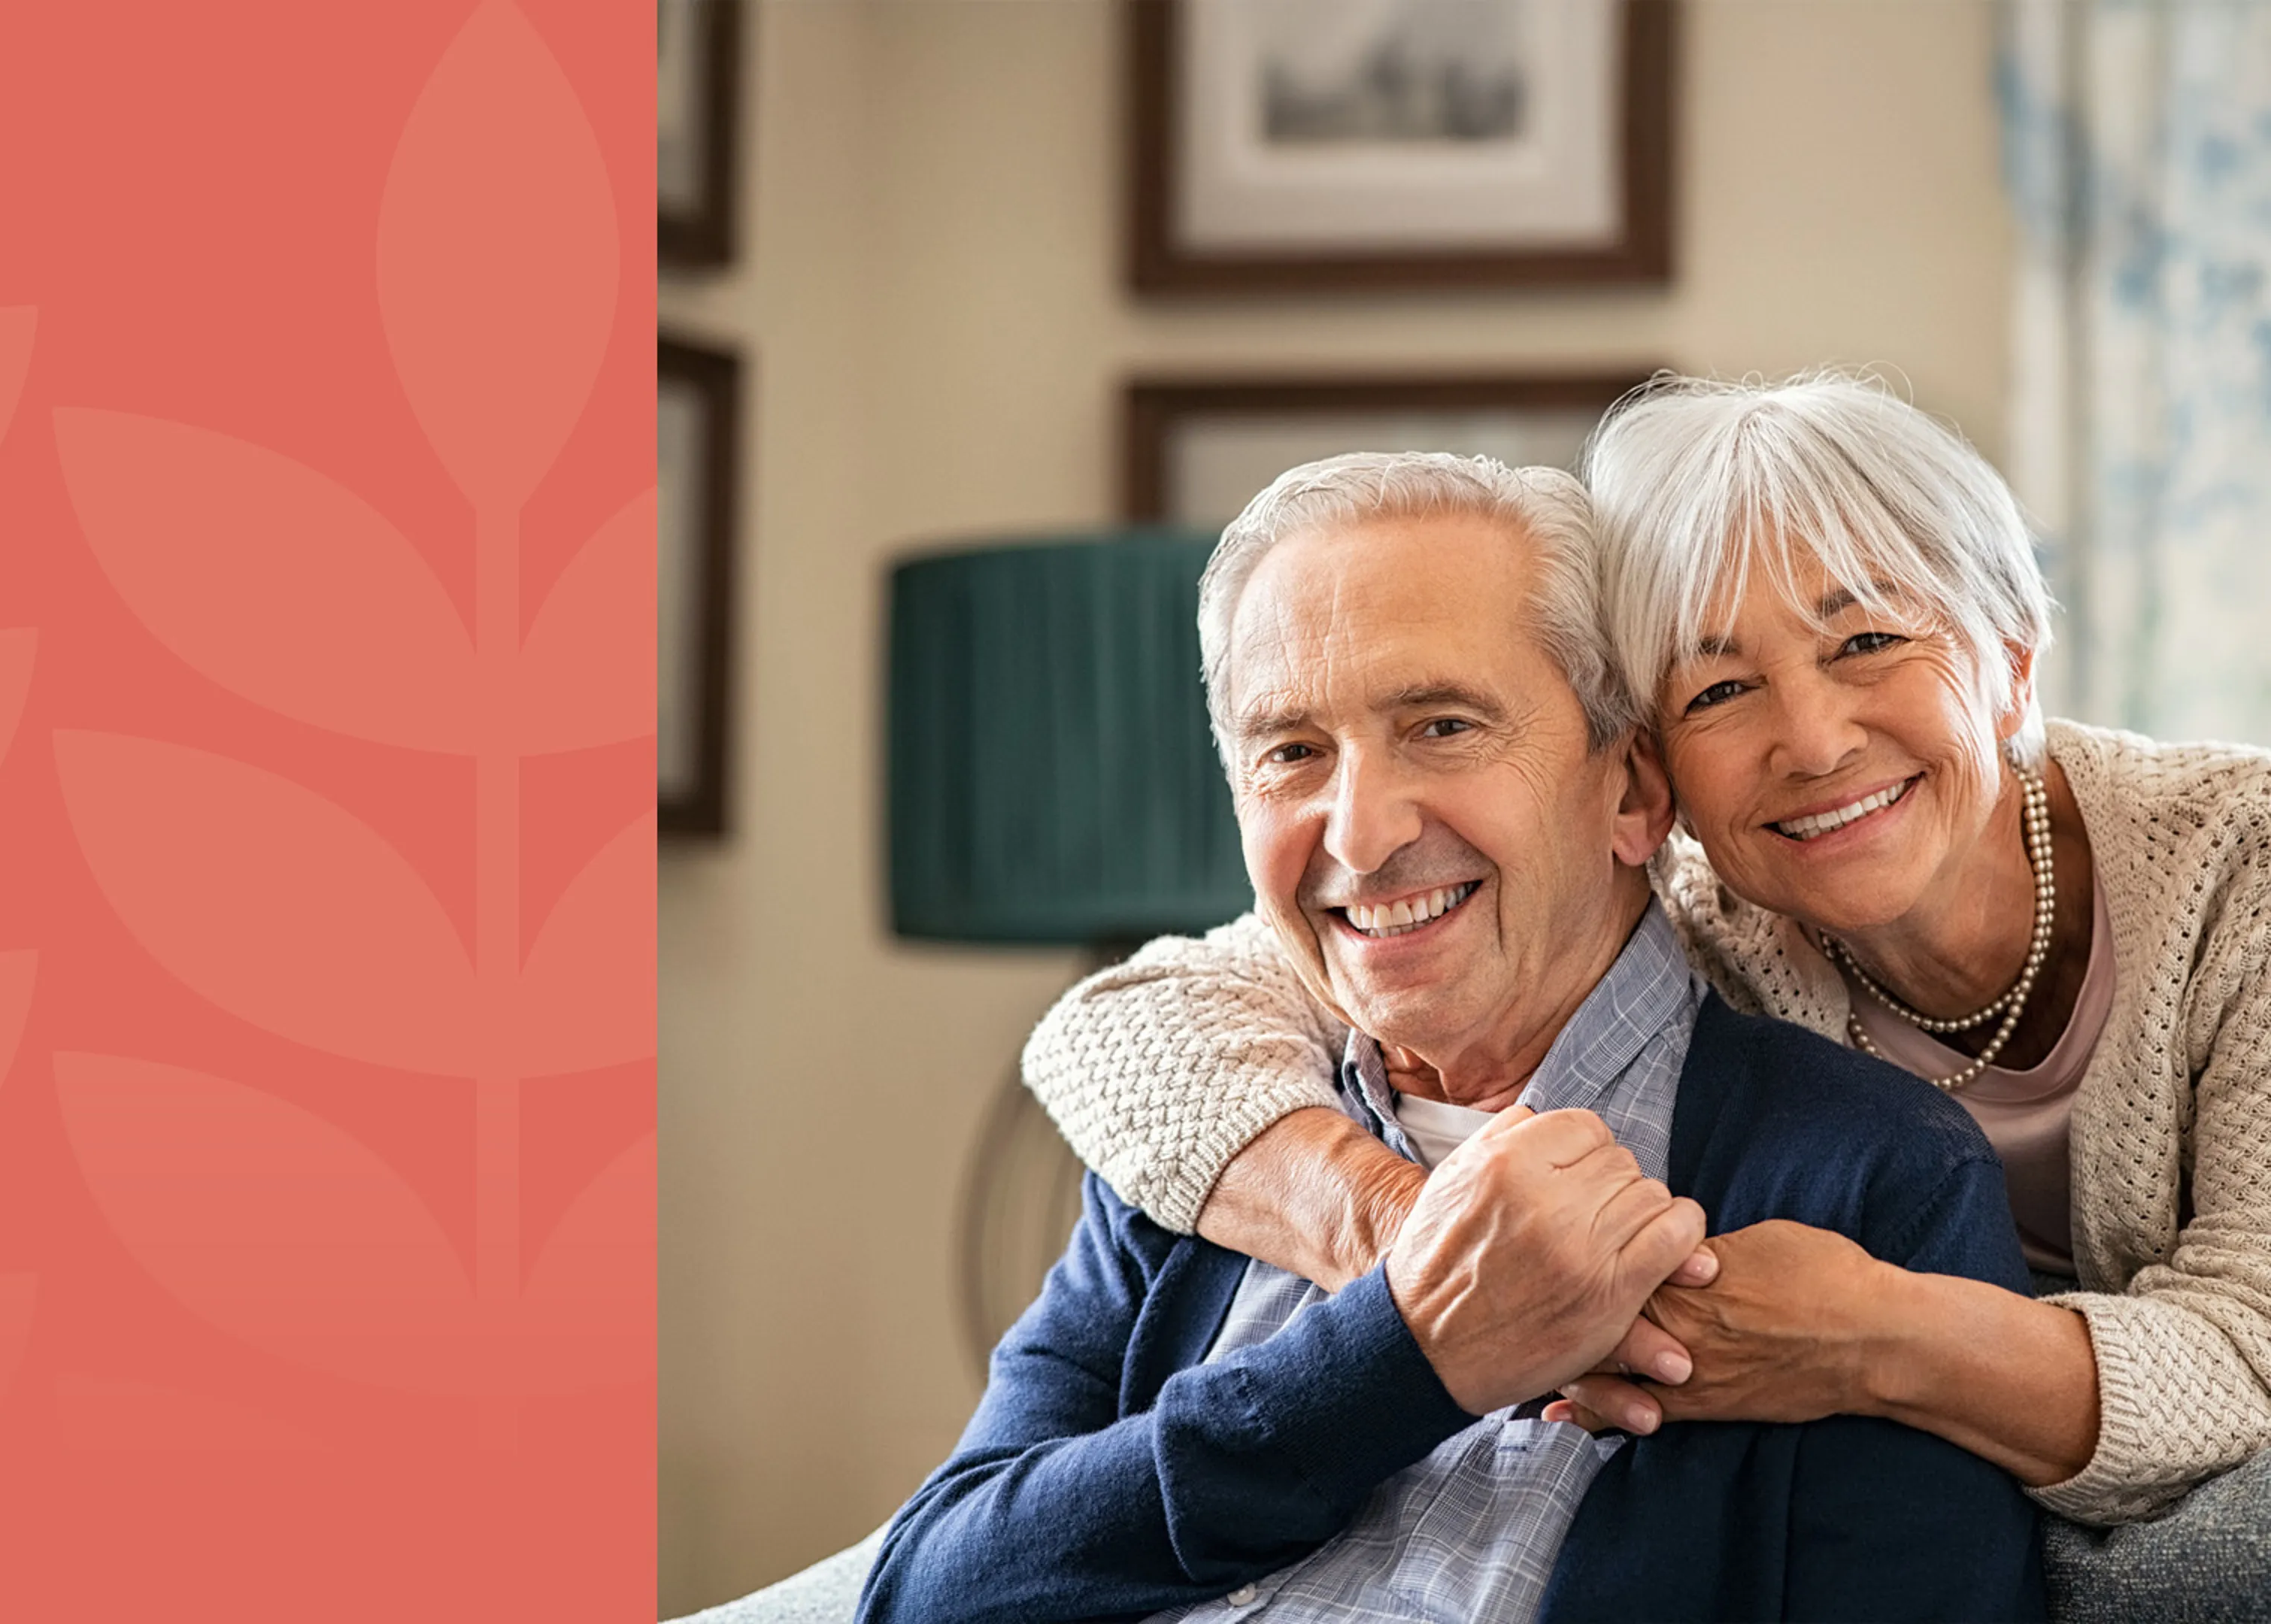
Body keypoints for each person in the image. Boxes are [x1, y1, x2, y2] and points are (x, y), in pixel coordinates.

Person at [1022, 374, 2271, 1607]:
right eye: (1720, 688)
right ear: (1655, 775)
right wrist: (1429, 1249)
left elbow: (2256, 1352)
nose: (1814, 741)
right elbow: (1127, 1024)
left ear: (2012, 660)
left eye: (1870, 641)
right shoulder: (1681, 889)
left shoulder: (2242, 870)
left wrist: (1874, 1336)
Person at [858, 452, 2042, 1623]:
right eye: (1292, 753)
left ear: (1632, 790)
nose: (1361, 836)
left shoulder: (1866, 1178)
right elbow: (921, 1593)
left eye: (1442, 726)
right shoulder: (1213, 1149)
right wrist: (1402, 1359)